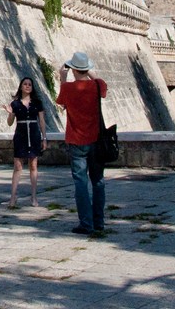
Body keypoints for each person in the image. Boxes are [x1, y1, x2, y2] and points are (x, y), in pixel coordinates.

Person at [55, 51, 107, 236]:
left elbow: (61, 101)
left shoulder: (68, 88)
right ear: (86, 68)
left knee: (81, 183)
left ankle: (86, 223)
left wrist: (63, 77)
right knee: (98, 182)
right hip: (96, 141)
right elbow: (100, 83)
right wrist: (88, 71)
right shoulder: (97, 86)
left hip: (76, 141)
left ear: (74, 69)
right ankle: (99, 221)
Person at [3, 76, 46, 208]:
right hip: (20, 135)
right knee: (18, 167)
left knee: (33, 165)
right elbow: (10, 123)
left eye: (30, 84)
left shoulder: (37, 103)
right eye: (25, 84)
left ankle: (33, 196)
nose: (27, 86)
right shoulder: (15, 104)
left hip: (33, 134)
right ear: (21, 86)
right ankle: (13, 197)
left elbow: (42, 121)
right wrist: (10, 113)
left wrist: (44, 138)